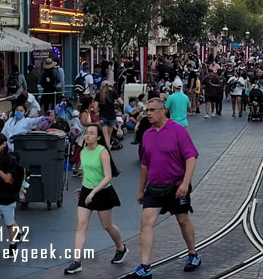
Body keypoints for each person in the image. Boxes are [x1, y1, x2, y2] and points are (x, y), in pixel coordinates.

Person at [129, 97, 200, 277]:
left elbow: (191, 157)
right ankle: (145, 267)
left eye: (152, 110)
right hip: (155, 187)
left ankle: (193, 254)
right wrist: (140, 190)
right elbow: (145, 164)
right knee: (146, 222)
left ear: (163, 111)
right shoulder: (147, 134)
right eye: (147, 111)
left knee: (182, 220)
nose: (148, 114)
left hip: (176, 186)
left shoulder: (178, 131)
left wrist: (185, 183)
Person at [64, 125, 126, 274]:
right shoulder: (83, 152)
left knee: (107, 225)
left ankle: (121, 248)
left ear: (98, 137)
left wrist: (94, 193)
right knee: (81, 225)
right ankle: (76, 261)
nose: (88, 136)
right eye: (86, 133)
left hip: (103, 191)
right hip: (87, 190)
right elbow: (86, 173)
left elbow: (108, 176)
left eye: (92, 133)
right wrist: (84, 188)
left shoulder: (102, 152)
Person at [96, 82, 121, 149]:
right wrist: (114, 103)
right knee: (109, 135)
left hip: (102, 115)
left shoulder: (99, 94)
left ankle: (107, 147)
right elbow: (121, 102)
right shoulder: (113, 92)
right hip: (111, 115)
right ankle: (108, 147)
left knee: (105, 135)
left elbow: (95, 106)